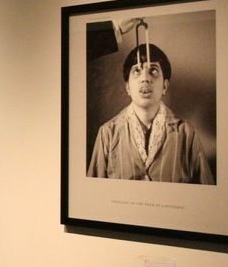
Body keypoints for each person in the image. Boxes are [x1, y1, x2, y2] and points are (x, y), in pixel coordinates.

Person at [87, 43, 214, 184]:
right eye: (137, 71)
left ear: (164, 85)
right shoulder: (108, 133)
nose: (145, 78)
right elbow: (94, 191)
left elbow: (205, 191)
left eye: (153, 70)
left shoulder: (186, 134)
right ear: (128, 87)